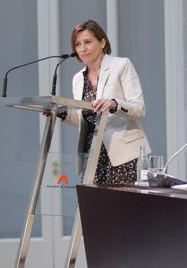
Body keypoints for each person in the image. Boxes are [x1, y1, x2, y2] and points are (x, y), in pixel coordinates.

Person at [59, 19, 150, 184]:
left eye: (87, 42)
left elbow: (139, 109)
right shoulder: (78, 78)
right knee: (94, 208)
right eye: (77, 44)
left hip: (123, 154)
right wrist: (60, 113)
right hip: (91, 155)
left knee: (125, 208)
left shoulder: (122, 65)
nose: (82, 48)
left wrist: (114, 104)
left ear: (102, 42)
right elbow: (85, 118)